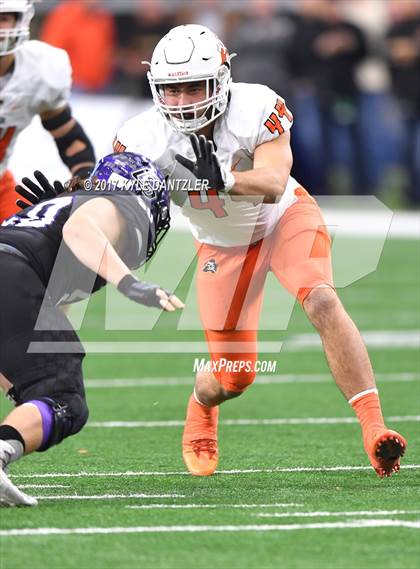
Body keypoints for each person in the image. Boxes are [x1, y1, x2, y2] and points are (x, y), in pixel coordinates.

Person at [113, 24, 407, 479]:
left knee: (323, 298)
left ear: (223, 77)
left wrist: (225, 179)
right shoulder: (142, 136)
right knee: (234, 377)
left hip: (284, 218)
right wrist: (78, 199)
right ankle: (201, 405)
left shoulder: (256, 106)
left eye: (195, 86)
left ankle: (374, 428)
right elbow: (111, 200)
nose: (184, 101)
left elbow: (272, 183)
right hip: (222, 245)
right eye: (172, 90)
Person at [0, 152, 183, 506]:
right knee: (65, 398)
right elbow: (79, 229)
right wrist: (129, 284)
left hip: (13, 271)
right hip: (11, 271)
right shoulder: (114, 207)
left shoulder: (72, 204)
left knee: (42, 385)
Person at [0, 0, 96, 223]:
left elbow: (69, 137)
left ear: (21, 19)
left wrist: (83, 182)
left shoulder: (38, 70)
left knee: (39, 241)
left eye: (3, 18)